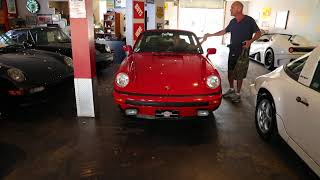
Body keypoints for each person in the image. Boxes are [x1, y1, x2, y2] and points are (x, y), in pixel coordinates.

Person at [201, 1, 261, 103]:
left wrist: (250, 41)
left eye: (232, 7)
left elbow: (259, 33)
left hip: (243, 52)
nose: (230, 9)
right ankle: (231, 89)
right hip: (233, 50)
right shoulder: (233, 22)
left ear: (239, 9)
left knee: (239, 74)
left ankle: (238, 94)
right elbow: (224, 31)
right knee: (230, 71)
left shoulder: (249, 20)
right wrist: (210, 35)